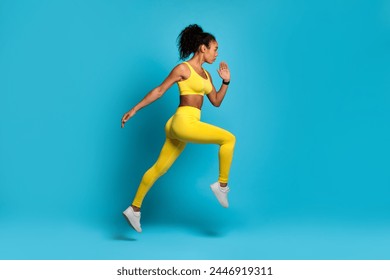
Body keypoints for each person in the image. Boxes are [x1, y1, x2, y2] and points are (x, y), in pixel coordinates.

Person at [121, 24, 236, 233]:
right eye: (215, 48)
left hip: (180, 125)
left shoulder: (207, 76)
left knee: (160, 168)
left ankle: (134, 208)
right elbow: (159, 90)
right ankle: (222, 186)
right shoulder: (183, 69)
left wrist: (226, 81)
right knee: (228, 139)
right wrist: (135, 109)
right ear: (203, 48)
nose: (217, 54)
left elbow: (216, 101)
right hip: (183, 121)